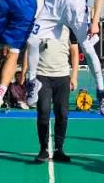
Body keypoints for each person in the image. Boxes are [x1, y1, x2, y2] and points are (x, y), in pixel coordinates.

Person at [32, 25, 80, 163]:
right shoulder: (41, 25)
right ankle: (43, 149)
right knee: (43, 111)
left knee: (62, 113)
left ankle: (59, 149)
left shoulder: (69, 28)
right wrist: (27, 73)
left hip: (62, 77)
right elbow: (31, 48)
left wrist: (74, 76)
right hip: (42, 75)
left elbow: (74, 52)